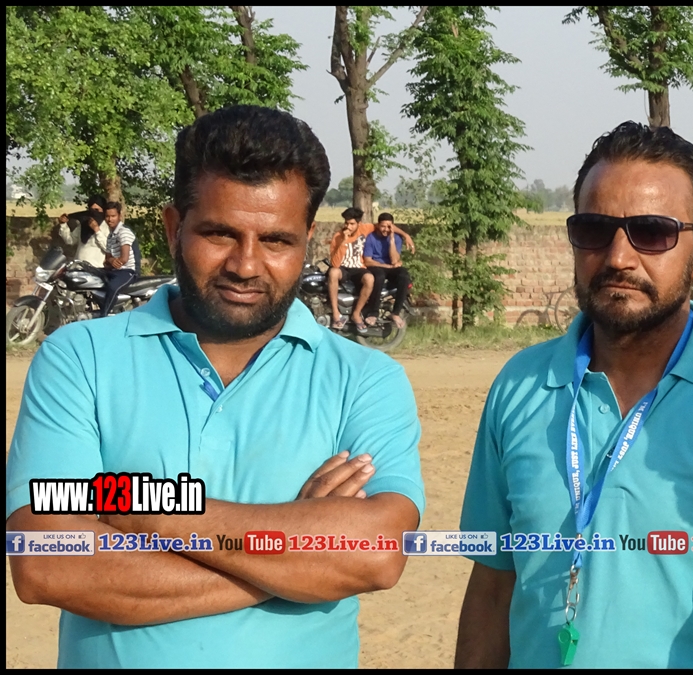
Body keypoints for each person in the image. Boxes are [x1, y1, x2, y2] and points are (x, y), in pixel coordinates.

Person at [6, 105, 425, 668]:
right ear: (173, 228)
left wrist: (146, 509)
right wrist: (294, 557)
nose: (246, 266)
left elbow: (376, 555)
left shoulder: (365, 379)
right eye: (220, 233)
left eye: (276, 240)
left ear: (307, 240)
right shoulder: (80, 359)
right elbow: (46, 563)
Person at [454, 121, 693, 668]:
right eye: (594, 228)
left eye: (652, 232)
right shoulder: (520, 386)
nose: (618, 257)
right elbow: (492, 589)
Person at [361, 212, 415, 333]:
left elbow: (395, 261)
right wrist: (385, 265)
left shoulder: (396, 238)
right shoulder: (371, 238)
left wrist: (391, 240)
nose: (386, 229)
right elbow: (368, 261)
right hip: (376, 266)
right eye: (383, 226)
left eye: (389, 226)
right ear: (378, 225)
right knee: (379, 276)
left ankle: (395, 313)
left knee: (404, 275)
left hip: (391, 267)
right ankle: (373, 312)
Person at [327, 207, 376, 330]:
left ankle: (356, 314)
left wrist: (405, 235)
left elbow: (383, 225)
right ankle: (336, 312)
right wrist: (344, 241)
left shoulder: (366, 228)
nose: (348, 227)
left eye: (352, 224)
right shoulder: (338, 236)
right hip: (342, 268)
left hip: (358, 268)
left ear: (359, 223)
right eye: (346, 223)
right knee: (333, 272)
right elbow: (335, 263)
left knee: (370, 279)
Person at [98, 201, 137, 317]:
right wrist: (111, 261)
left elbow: (123, 259)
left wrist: (111, 261)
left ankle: (103, 316)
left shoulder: (123, 232)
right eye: (107, 216)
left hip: (127, 271)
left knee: (112, 287)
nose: (110, 219)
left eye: (113, 216)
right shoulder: (111, 235)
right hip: (114, 270)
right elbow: (107, 258)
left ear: (119, 216)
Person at [57, 195, 110, 267]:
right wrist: (63, 225)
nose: (93, 213)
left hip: (94, 268)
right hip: (77, 267)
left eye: (97, 210)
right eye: (91, 210)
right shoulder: (84, 225)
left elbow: (108, 248)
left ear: (103, 210)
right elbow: (70, 240)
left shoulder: (107, 227)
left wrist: (97, 230)